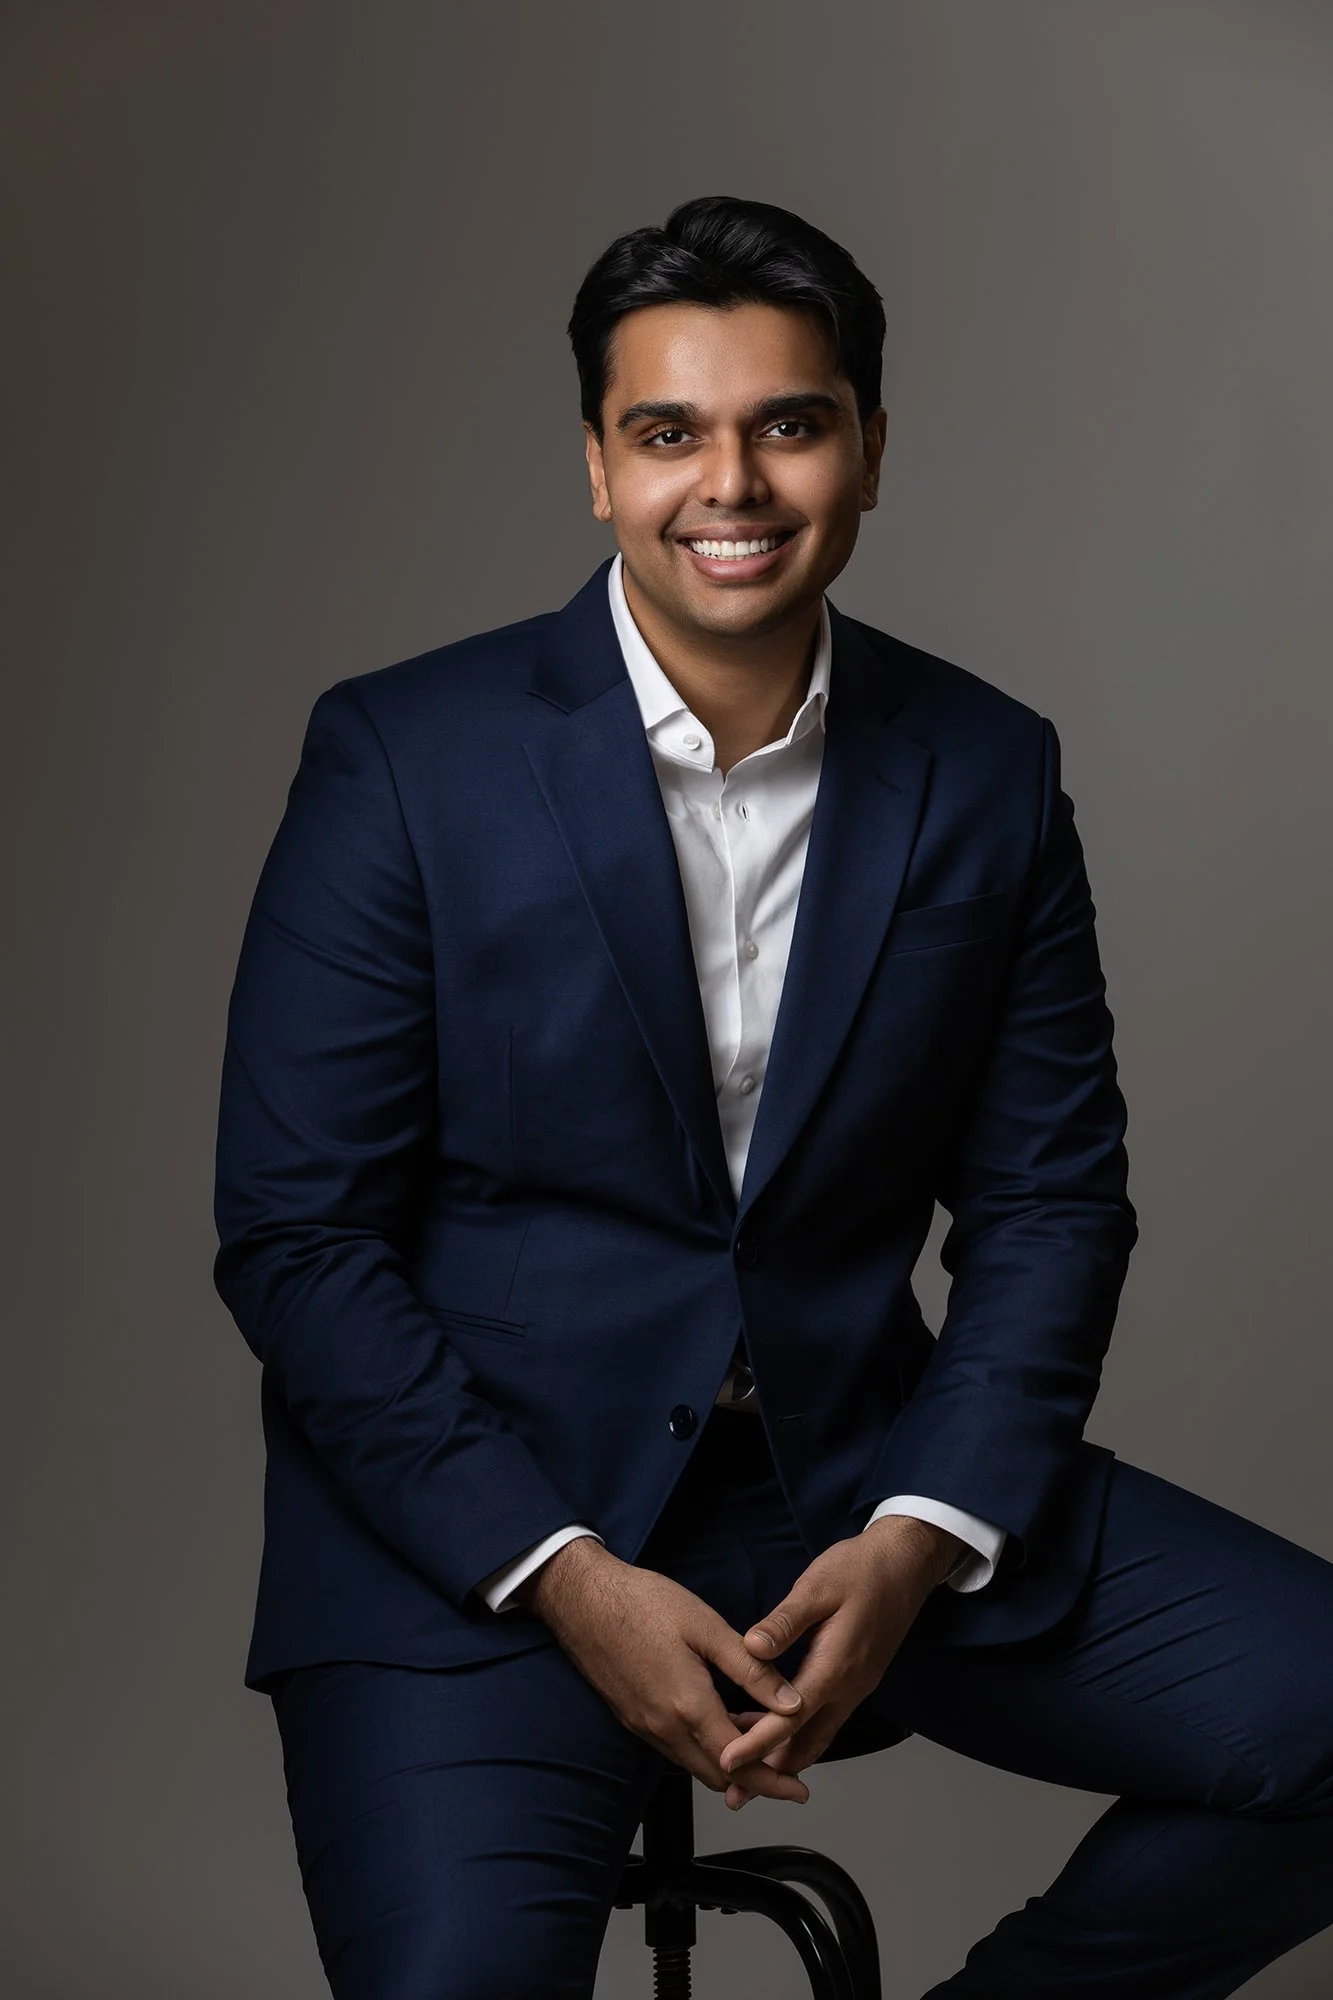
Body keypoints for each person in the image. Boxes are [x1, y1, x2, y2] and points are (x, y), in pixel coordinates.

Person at [212, 194, 1333, 1998]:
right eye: (668, 432)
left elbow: (1051, 1203)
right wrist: (561, 1571)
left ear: (869, 453)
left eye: (787, 425)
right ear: (596, 464)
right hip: (473, 1524)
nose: (728, 484)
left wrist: (916, 1538)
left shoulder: (983, 763)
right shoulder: (404, 757)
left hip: (858, 1482)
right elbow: (297, 1238)